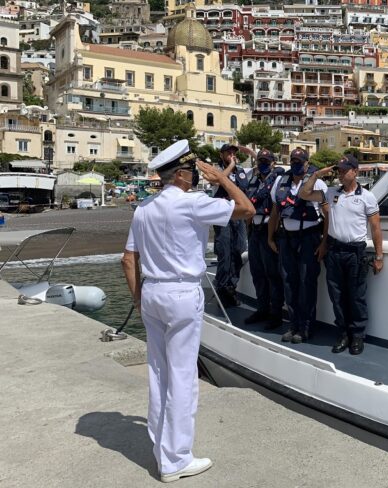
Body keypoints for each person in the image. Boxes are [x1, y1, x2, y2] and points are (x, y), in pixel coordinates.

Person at [121, 140, 255, 482]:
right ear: (181, 175)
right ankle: (176, 459)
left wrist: (139, 299)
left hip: (151, 292)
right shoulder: (193, 203)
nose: (198, 175)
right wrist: (222, 179)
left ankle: (160, 446)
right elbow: (247, 209)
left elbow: (128, 260)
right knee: (182, 377)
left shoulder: (144, 208)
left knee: (158, 373)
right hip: (181, 293)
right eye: (194, 170)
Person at [300, 154, 383, 355]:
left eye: (345, 170)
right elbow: (304, 194)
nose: (340, 174)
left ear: (355, 171)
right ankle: (344, 334)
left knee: (356, 297)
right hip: (334, 251)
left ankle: (357, 336)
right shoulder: (330, 193)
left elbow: (376, 228)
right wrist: (316, 174)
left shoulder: (367, 197)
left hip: (355, 253)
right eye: (339, 170)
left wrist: (379, 256)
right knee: (337, 297)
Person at [267, 147, 328, 344]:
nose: (296, 163)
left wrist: (324, 242)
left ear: (307, 163)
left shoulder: (317, 183)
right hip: (286, 238)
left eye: (300, 161)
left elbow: (328, 215)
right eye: (293, 160)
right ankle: (293, 324)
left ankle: (306, 327)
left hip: (309, 238)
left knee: (307, 282)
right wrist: (270, 237)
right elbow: (275, 212)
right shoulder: (280, 181)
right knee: (289, 282)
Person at [244, 148, 285, 329]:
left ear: (272, 163)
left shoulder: (277, 180)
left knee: (272, 274)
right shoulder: (254, 180)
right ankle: (262, 308)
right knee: (257, 272)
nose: (262, 164)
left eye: (266, 161)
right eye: (260, 161)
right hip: (255, 230)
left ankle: (275, 314)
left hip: (270, 231)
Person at [212, 144, 249, 307]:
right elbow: (218, 180)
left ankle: (231, 286)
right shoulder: (215, 169)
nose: (232, 155)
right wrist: (232, 165)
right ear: (221, 155)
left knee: (238, 251)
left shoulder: (240, 171)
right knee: (224, 252)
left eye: (234, 152)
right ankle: (221, 287)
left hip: (238, 216)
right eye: (228, 152)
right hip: (222, 215)